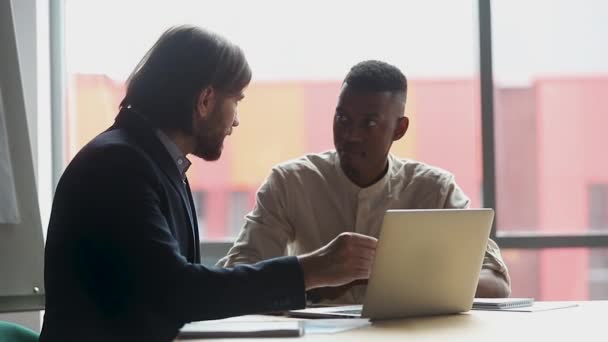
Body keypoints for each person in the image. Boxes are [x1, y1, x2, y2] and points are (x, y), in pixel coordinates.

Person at [39, 25, 378, 342]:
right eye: (237, 101)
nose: (237, 120)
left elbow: (170, 289)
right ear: (205, 100)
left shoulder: (151, 162)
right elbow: (179, 292)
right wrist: (310, 270)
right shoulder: (118, 166)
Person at [219, 60, 511, 304]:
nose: (351, 135)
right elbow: (237, 273)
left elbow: (496, 284)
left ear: (400, 128)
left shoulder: (435, 190)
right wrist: (312, 273)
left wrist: (398, 276)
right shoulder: (290, 182)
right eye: (343, 118)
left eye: (369, 123)